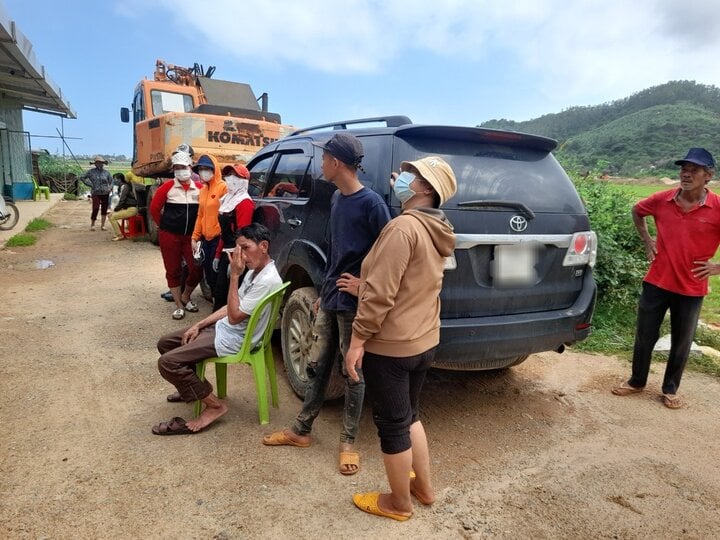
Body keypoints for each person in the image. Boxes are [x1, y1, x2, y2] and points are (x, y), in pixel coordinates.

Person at [262, 132, 391, 476]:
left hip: (354, 303)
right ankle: (302, 429)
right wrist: (322, 292)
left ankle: (348, 442)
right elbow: (336, 251)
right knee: (319, 364)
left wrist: (365, 285)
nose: (321, 165)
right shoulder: (337, 199)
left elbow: (391, 256)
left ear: (336, 163)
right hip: (332, 294)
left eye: (324, 159)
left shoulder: (372, 204)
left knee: (352, 370)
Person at [345, 156, 457, 521]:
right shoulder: (436, 227)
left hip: (392, 346)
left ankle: (398, 503)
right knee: (410, 416)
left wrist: (358, 340)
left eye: (412, 174)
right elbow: (412, 284)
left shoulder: (402, 229)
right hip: (424, 340)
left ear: (426, 188)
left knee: (393, 425)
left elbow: (380, 294)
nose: (402, 177)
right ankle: (422, 488)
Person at [612, 148, 720, 409]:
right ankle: (637, 381)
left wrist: (717, 267)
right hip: (656, 282)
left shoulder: (717, 207)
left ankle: (670, 388)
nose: (686, 173)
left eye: (694, 170)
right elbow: (637, 211)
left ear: (708, 175)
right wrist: (648, 240)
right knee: (644, 335)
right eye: (684, 168)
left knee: (681, 342)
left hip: (692, 287)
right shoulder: (663, 199)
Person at [152, 223, 282, 435]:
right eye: (238, 249)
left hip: (235, 339)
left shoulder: (266, 280)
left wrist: (234, 276)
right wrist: (199, 324)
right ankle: (192, 388)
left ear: (264, 246)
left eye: (245, 248)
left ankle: (215, 406)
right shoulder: (255, 270)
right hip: (224, 329)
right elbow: (230, 307)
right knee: (165, 343)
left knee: (168, 363)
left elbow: (234, 316)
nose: (241, 255)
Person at [149, 150, 203, 320]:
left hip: (191, 237)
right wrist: (164, 227)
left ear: (191, 167)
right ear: (173, 169)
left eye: (184, 167)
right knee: (173, 270)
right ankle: (179, 305)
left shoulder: (200, 188)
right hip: (170, 236)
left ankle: (186, 296)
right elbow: (154, 209)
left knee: (197, 268)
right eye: (177, 167)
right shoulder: (167, 187)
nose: (181, 170)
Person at [213, 164, 255, 311]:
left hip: (234, 254)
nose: (231, 179)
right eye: (229, 175)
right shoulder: (227, 199)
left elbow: (242, 236)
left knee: (228, 294)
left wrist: (237, 262)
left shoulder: (244, 203)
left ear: (244, 180)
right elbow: (223, 232)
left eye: (236, 176)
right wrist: (218, 254)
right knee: (219, 292)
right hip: (226, 251)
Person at [191, 154, 227, 302]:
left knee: (217, 273)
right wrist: (194, 237)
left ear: (215, 169)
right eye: (201, 169)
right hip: (205, 239)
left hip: (219, 238)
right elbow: (200, 215)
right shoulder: (203, 190)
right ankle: (214, 300)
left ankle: (219, 305)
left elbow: (227, 215)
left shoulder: (223, 187)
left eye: (207, 168)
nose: (203, 172)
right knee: (208, 272)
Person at [79, 155, 114, 231]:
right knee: (96, 208)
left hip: (105, 193)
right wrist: (90, 184)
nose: (99, 164)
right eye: (98, 163)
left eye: (101, 163)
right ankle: (92, 225)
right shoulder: (91, 172)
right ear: (95, 164)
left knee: (104, 209)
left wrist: (110, 188)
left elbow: (111, 181)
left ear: (103, 164)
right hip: (95, 192)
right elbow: (82, 177)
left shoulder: (106, 173)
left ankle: (103, 225)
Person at [108, 173, 139, 241]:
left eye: (115, 179)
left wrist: (115, 210)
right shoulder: (124, 186)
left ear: (119, 180)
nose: (114, 181)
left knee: (112, 217)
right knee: (110, 216)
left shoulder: (124, 187)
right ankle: (119, 233)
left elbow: (122, 200)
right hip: (128, 208)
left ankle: (120, 235)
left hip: (131, 209)